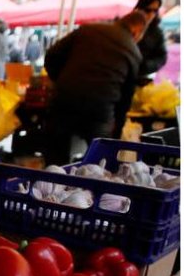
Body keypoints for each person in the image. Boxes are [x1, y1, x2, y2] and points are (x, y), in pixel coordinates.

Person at [42, 12, 150, 164]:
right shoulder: (133, 51)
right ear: (137, 31)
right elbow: (126, 99)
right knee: (100, 162)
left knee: (55, 159)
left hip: (65, 99)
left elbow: (52, 55)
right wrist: (116, 131)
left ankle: (52, 184)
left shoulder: (88, 30)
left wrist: (60, 80)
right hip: (100, 109)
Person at [134, 0, 168, 81]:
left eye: (155, 11)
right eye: (148, 10)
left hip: (141, 77)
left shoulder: (157, 32)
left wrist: (147, 65)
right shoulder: (127, 25)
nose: (152, 14)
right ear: (139, 9)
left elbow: (162, 57)